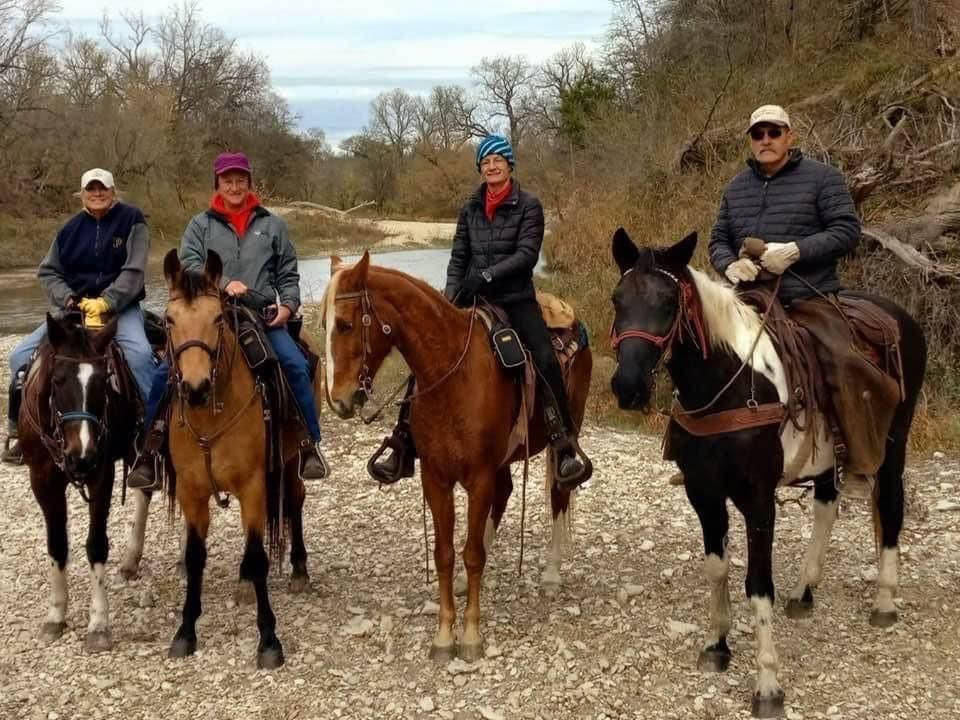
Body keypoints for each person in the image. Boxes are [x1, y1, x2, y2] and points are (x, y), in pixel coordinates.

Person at [368, 134, 592, 491]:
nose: (492, 166)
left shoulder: (529, 206)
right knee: (425, 357)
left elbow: (526, 255)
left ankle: (563, 441)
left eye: (498, 160)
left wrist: (487, 275)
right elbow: (459, 257)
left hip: (515, 298)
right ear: (480, 169)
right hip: (472, 298)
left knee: (545, 357)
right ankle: (403, 441)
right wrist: (449, 296)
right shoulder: (470, 208)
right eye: (486, 162)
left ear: (509, 165)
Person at [707, 104, 898, 495]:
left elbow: (846, 230)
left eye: (773, 132)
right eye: (758, 134)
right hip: (748, 300)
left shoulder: (823, 178)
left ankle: (859, 462)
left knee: (843, 359)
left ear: (789, 136)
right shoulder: (736, 187)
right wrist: (729, 266)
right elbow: (718, 240)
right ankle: (699, 453)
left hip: (809, 296)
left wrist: (796, 251)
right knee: (701, 349)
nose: (765, 140)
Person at [128, 152, 328, 486]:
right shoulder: (199, 225)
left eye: (240, 180)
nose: (234, 187)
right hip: (209, 313)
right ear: (217, 184)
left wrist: (289, 305)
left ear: (250, 183)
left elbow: (287, 272)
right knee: (165, 372)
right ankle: (149, 451)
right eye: (227, 181)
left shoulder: (273, 225)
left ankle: (309, 444)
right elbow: (189, 264)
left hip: (260, 314)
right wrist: (221, 284)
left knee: (294, 363)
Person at [2, 169, 168, 471]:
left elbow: (134, 270)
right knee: (19, 356)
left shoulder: (132, 220)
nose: (97, 194)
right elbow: (48, 272)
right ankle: (20, 430)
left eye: (102, 188)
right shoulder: (69, 230)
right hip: (75, 309)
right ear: (82, 194)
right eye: (91, 189)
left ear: (113, 191)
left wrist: (108, 301)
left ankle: (153, 430)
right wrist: (67, 298)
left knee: (141, 356)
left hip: (120, 309)